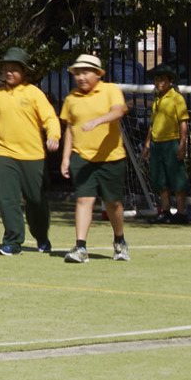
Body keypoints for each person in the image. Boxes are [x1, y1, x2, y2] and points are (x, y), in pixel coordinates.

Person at [0, 46, 60, 256]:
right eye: (6, 68)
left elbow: (50, 118)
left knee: (36, 200)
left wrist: (53, 135)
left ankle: (41, 235)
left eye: (14, 69)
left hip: (32, 155)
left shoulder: (34, 93)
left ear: (24, 71)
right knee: (8, 200)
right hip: (4, 155)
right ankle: (12, 241)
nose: (9, 72)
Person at [59, 52, 129, 263]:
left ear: (98, 74)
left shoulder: (111, 90)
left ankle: (119, 241)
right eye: (77, 73)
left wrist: (97, 122)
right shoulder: (71, 98)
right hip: (82, 157)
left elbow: (118, 112)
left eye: (86, 72)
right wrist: (66, 158)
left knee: (112, 203)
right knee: (84, 199)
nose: (81, 77)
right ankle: (80, 247)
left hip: (111, 157)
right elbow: (70, 129)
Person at [143, 63, 190, 224]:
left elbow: (183, 122)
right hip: (157, 143)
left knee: (177, 178)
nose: (158, 83)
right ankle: (165, 210)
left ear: (170, 81)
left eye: (162, 79)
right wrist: (147, 144)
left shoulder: (177, 98)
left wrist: (183, 144)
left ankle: (181, 212)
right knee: (160, 178)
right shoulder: (157, 99)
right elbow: (153, 123)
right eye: (156, 79)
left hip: (172, 142)